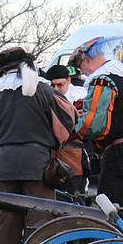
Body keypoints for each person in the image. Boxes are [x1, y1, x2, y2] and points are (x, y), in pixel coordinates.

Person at [0, 47, 76, 244]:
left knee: (3, 223)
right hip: (38, 166)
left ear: (3, 70)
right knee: (40, 221)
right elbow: (68, 119)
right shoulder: (44, 90)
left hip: (2, 165)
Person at [72, 37, 123, 210]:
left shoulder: (103, 79)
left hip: (121, 154)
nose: (82, 72)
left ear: (87, 60)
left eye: (81, 67)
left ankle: (119, 238)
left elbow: (94, 124)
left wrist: (73, 131)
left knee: (112, 209)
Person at [47, 64, 88, 195]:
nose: (56, 89)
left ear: (69, 81)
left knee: (73, 196)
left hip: (73, 155)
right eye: (53, 85)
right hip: (51, 158)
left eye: (60, 85)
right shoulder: (45, 96)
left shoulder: (80, 96)